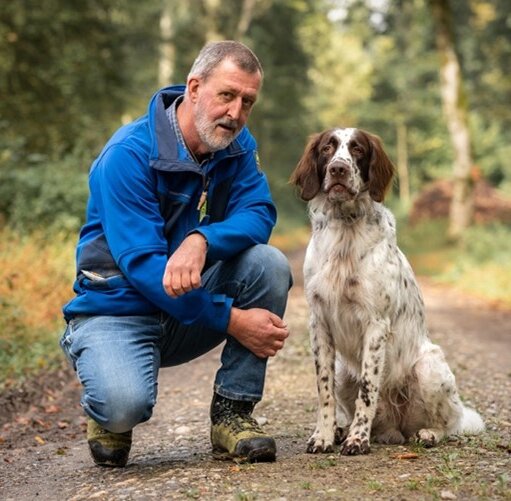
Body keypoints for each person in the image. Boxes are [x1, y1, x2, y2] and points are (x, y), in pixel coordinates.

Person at [60, 40, 292, 468]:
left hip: (179, 308)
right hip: (118, 310)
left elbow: (259, 212)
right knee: (124, 403)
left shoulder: (236, 145)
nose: (236, 113)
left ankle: (232, 413)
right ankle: (106, 408)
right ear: (194, 87)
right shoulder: (126, 155)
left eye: (247, 102)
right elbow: (145, 268)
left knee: (268, 264)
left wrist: (201, 240)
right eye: (227, 95)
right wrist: (233, 321)